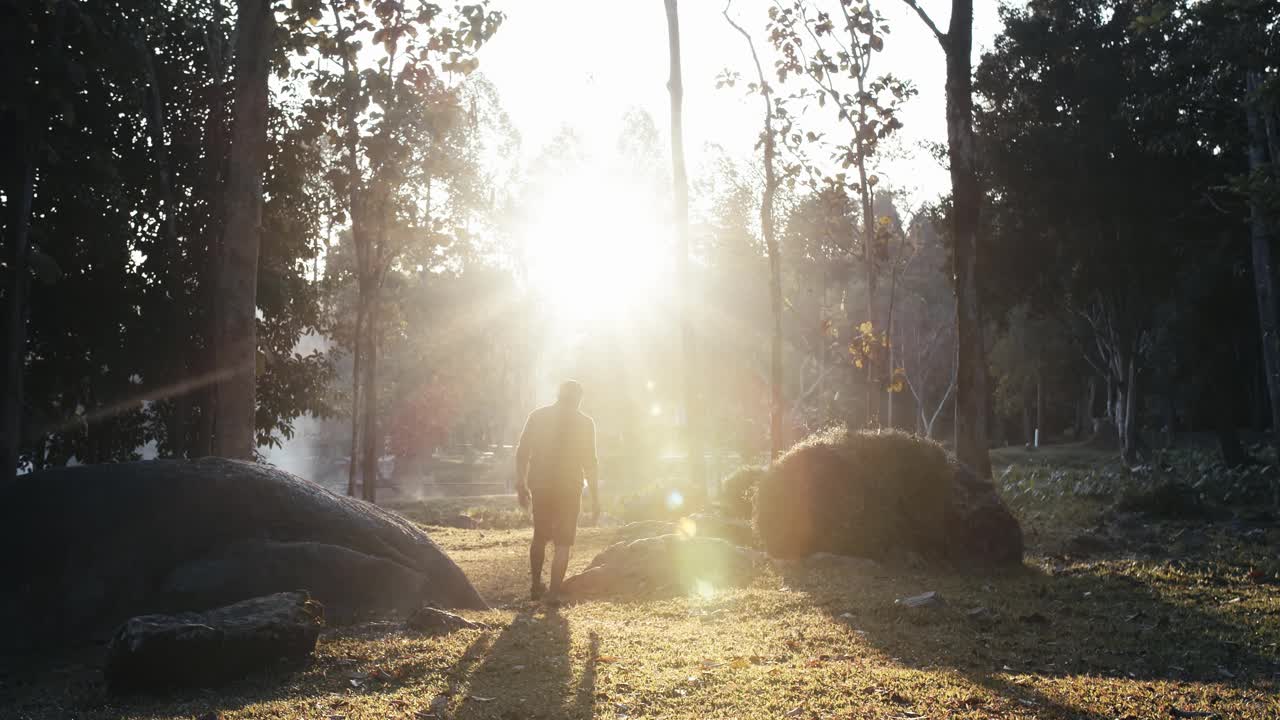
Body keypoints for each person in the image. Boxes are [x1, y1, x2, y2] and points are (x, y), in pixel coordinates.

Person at [515, 380, 600, 603]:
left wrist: (520, 484)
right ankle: (552, 594)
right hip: (569, 488)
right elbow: (590, 462)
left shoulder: (538, 416)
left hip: (541, 485)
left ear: (558, 395)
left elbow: (522, 452)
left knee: (540, 536)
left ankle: (535, 586)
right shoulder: (585, 423)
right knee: (564, 542)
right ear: (579, 399)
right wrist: (596, 498)